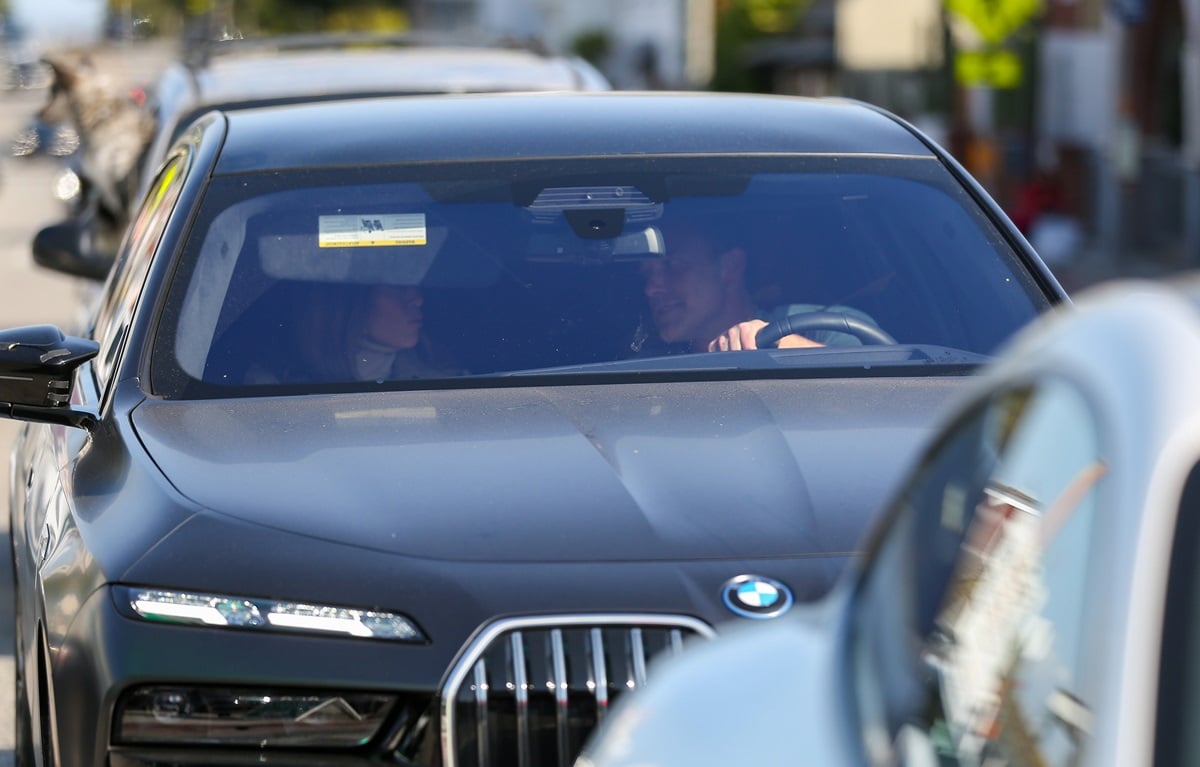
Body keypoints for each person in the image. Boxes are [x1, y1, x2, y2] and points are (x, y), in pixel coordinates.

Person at [633, 219, 877, 355]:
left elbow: (883, 392)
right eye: (647, 275)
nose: (652, 288)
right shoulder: (640, 367)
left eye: (673, 266)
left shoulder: (823, 325)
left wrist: (775, 343)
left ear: (731, 266)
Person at [245, 282, 458, 384]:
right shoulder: (266, 394)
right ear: (348, 306)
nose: (417, 299)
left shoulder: (451, 382)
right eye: (398, 287)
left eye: (414, 285)